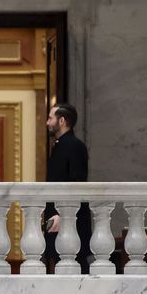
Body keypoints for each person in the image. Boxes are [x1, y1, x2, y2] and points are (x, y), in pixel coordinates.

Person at [43, 103, 91, 273]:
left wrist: (62, 214)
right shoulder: (60, 145)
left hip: (69, 220)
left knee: (75, 268)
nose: (48, 122)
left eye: (50, 118)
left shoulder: (74, 146)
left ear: (61, 121)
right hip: (58, 218)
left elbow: (76, 184)